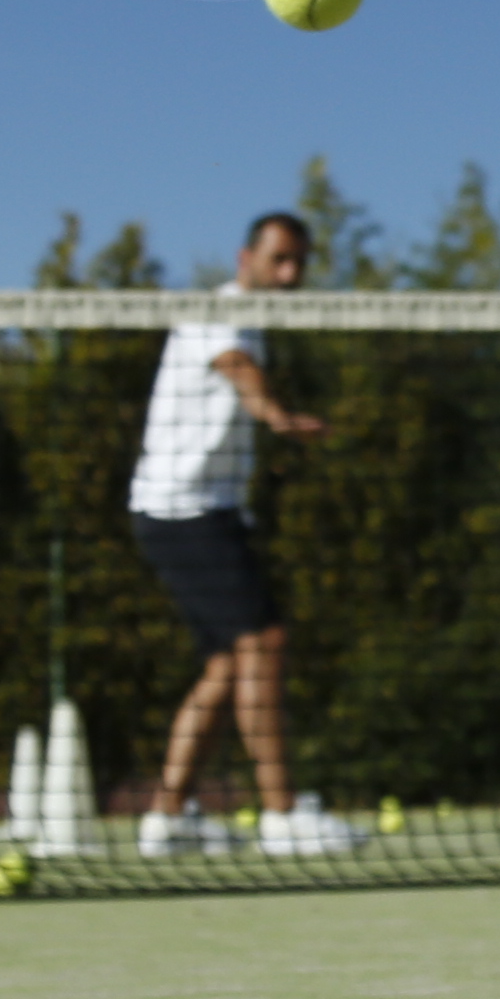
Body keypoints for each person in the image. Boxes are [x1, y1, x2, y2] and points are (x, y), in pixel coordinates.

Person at [128, 209, 364, 860]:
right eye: (277, 260)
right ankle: (282, 815)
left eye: (298, 265)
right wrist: (276, 415)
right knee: (264, 642)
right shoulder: (223, 314)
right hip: (185, 508)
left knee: (228, 665)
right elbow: (235, 367)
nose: (288, 275)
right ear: (245, 258)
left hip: (198, 509)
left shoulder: (253, 320)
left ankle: (169, 816)